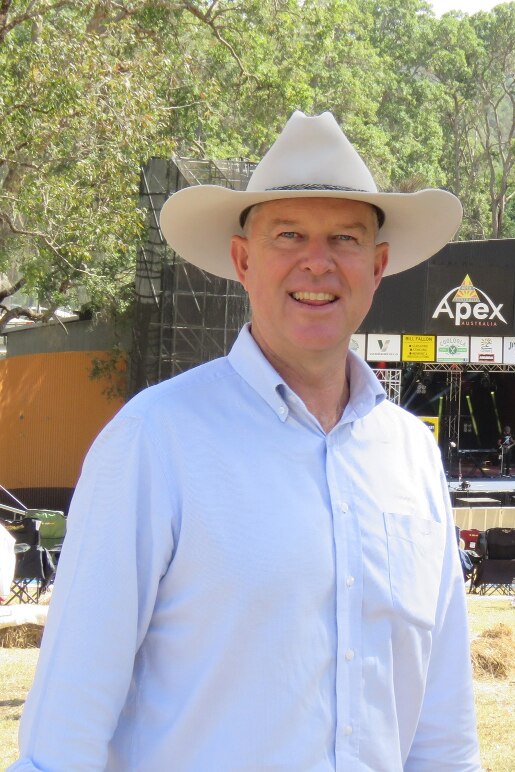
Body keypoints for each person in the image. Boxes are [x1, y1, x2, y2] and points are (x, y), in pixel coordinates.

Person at [12, 112, 480, 770]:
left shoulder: (411, 454)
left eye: (344, 238)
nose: (317, 262)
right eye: (289, 234)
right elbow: (69, 720)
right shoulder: (155, 440)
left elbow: (442, 725)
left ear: (378, 267)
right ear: (242, 259)